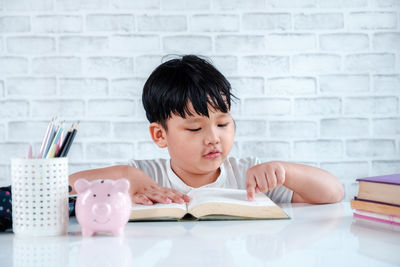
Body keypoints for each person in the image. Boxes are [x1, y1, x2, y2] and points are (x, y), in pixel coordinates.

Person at [69, 55, 344, 205]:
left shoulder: (248, 175)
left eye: (223, 124)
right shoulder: (145, 177)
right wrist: (126, 176)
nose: (214, 138)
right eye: (194, 128)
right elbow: (61, 187)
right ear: (160, 135)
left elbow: (333, 193)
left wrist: (285, 171)